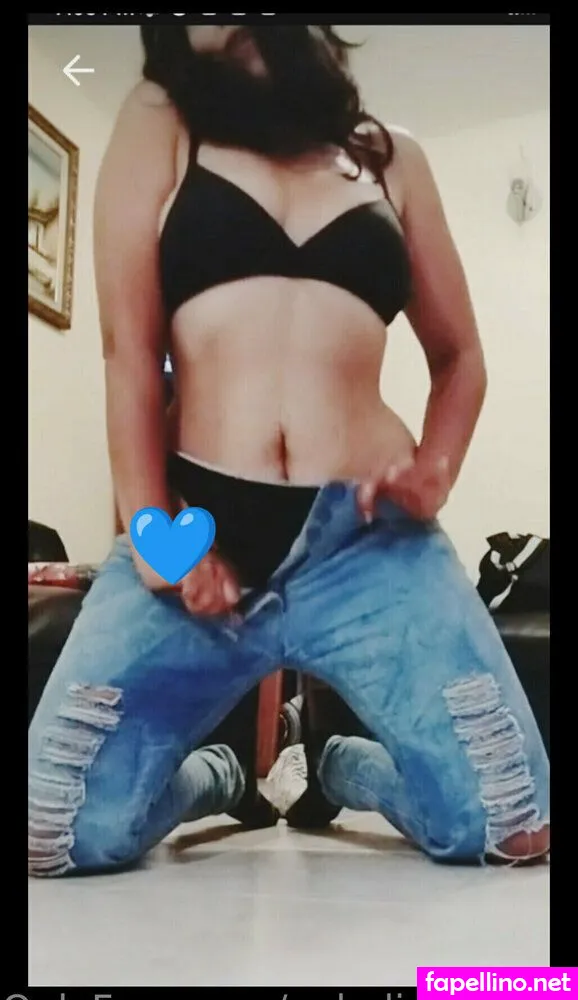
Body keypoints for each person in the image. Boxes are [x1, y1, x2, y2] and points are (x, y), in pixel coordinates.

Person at [28, 25, 549, 877]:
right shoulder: (162, 121)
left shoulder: (392, 157)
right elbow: (128, 355)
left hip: (368, 542)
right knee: (51, 832)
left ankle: (337, 767)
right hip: (198, 533)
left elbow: (460, 358)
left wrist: (436, 470)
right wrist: (155, 537)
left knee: (512, 823)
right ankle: (226, 777)